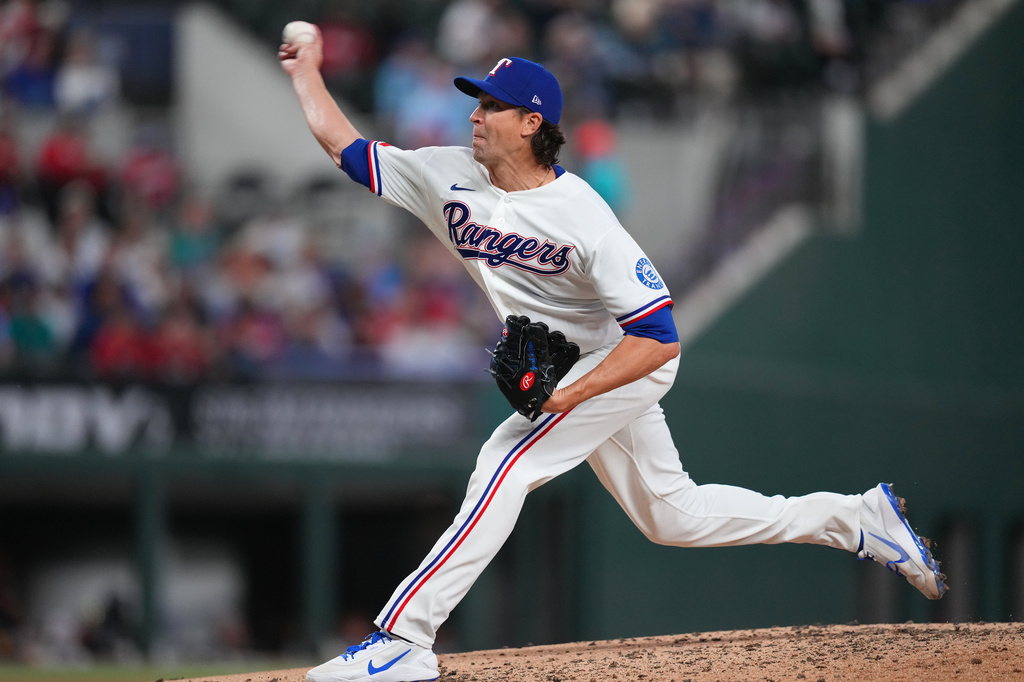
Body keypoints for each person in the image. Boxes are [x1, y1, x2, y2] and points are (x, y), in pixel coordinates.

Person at [279, 29, 947, 682]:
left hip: (623, 360)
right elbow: (349, 149)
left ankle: (404, 640)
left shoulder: (583, 216)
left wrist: (565, 397)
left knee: (504, 464)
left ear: (530, 123)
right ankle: (857, 519)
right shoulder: (444, 173)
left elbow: (659, 338)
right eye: (476, 102)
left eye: (490, 106)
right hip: (569, 365)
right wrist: (307, 72)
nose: (475, 116)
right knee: (671, 516)